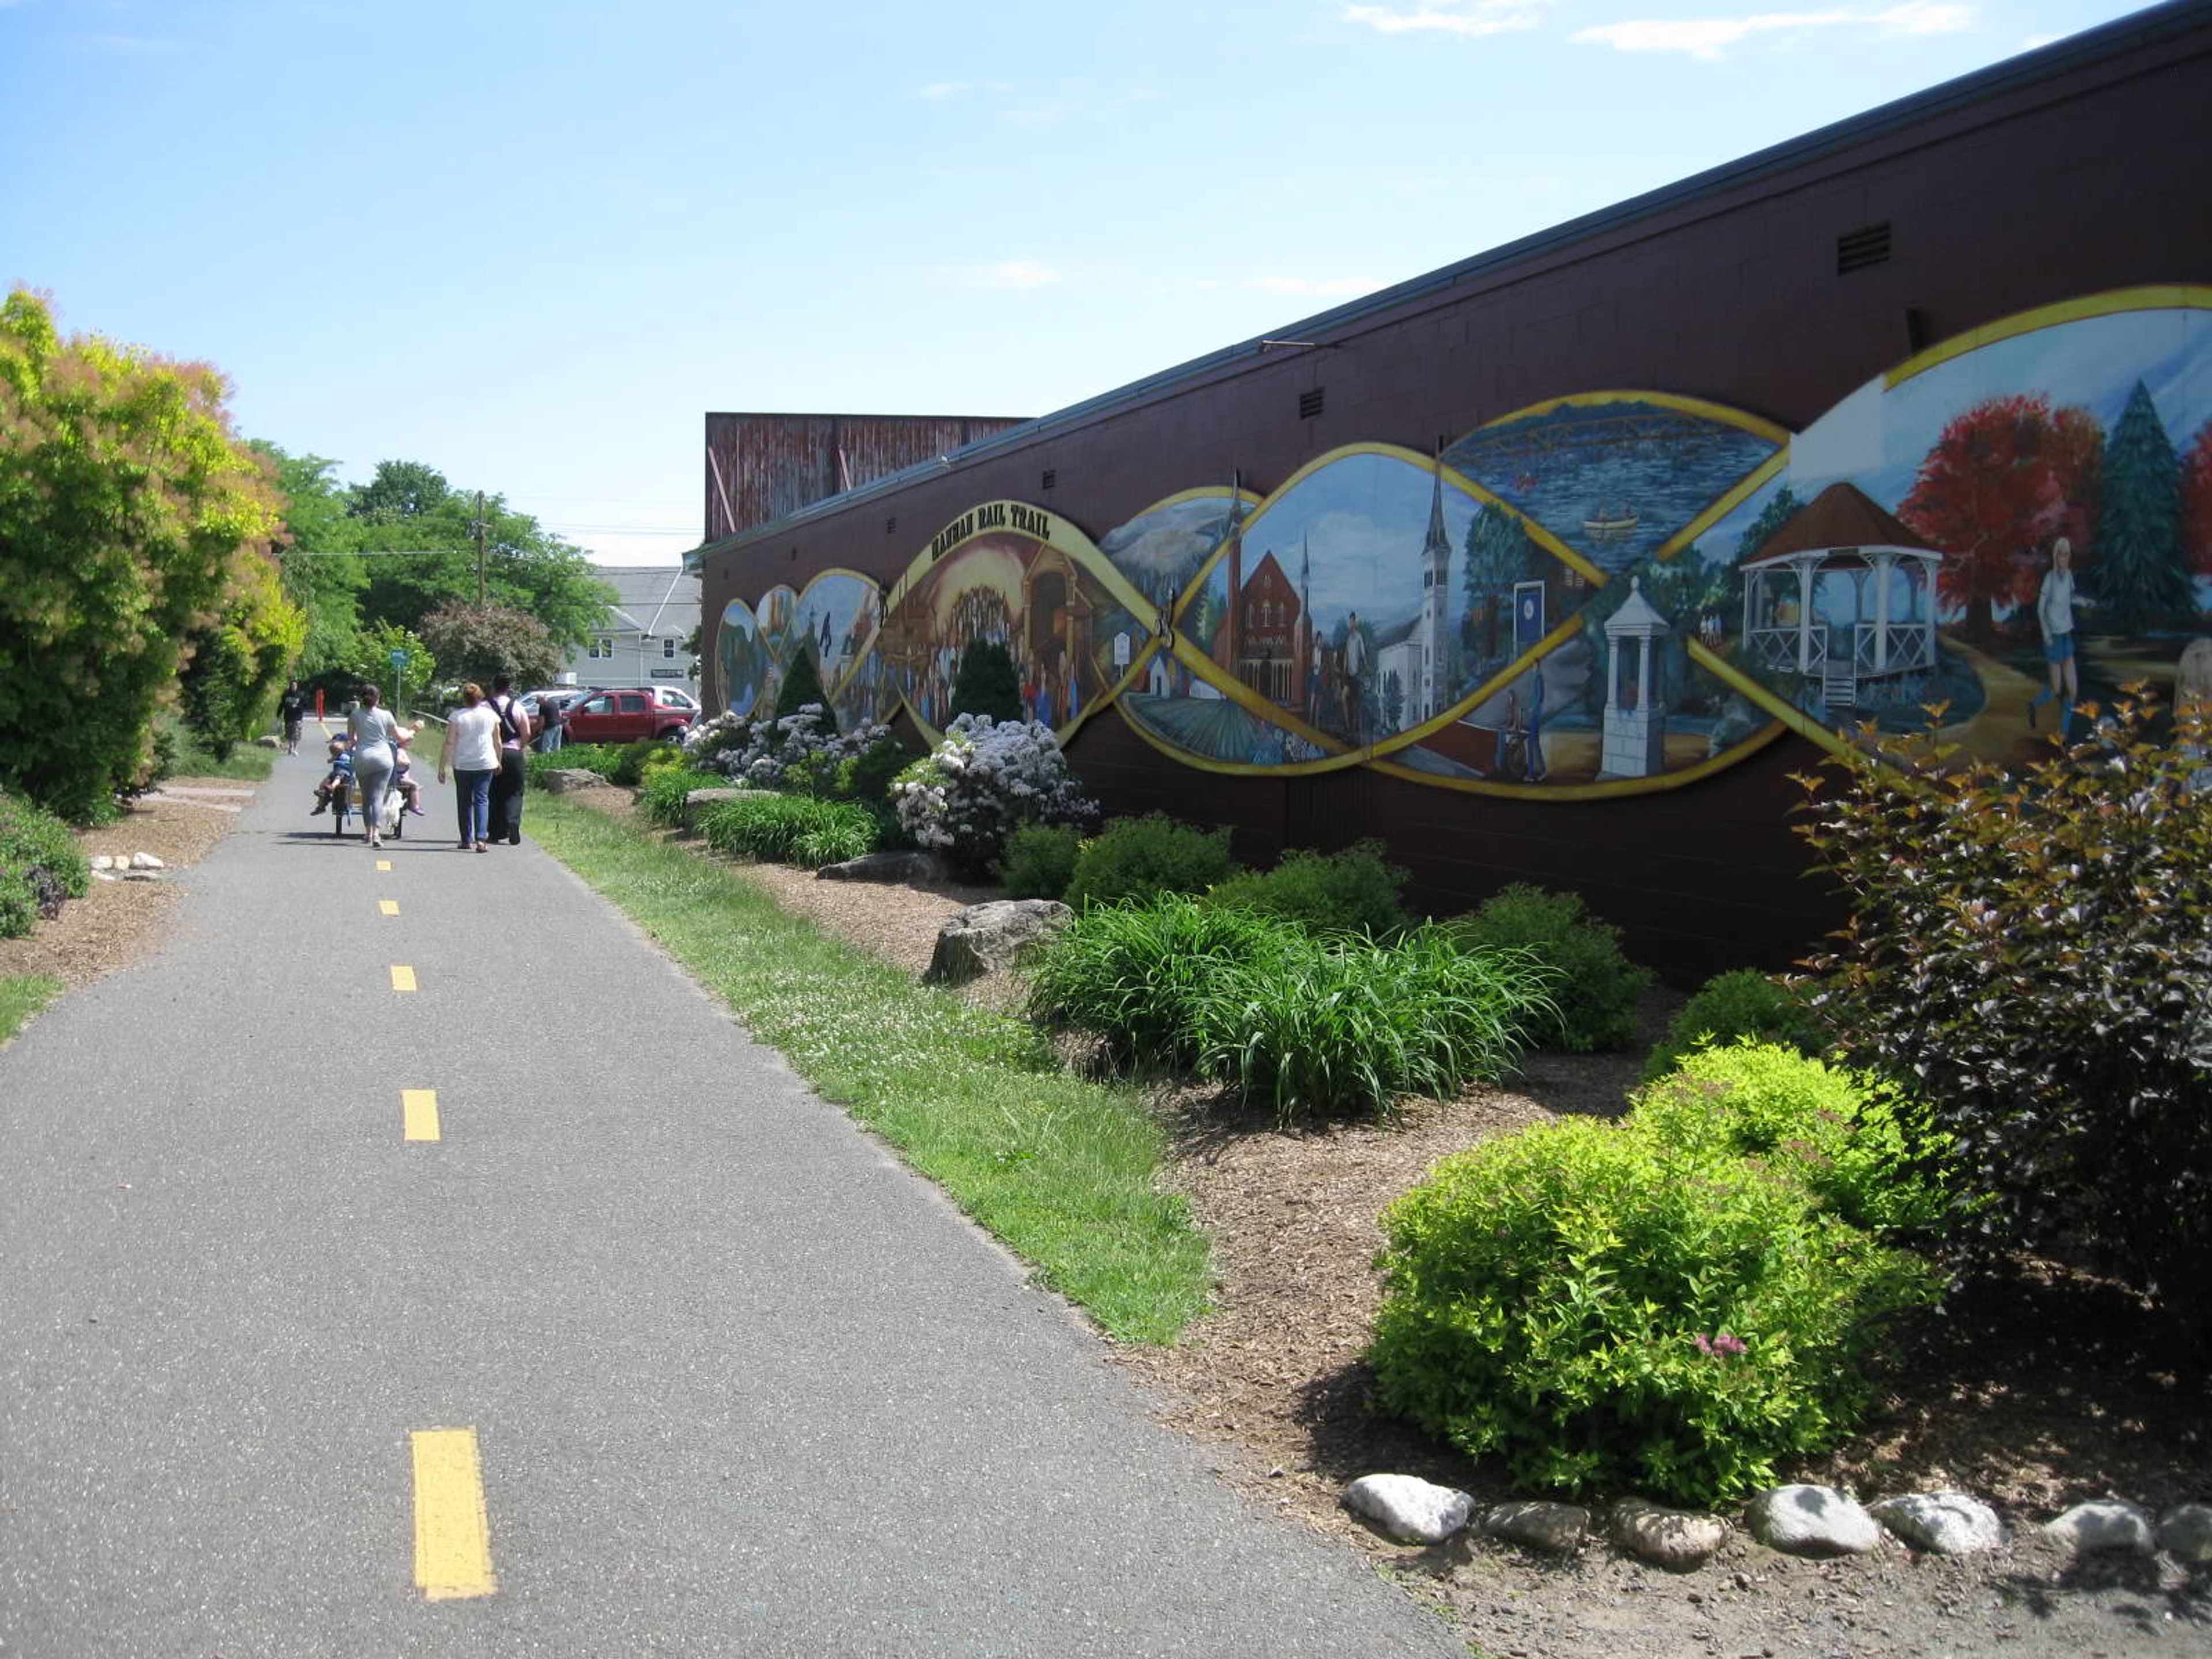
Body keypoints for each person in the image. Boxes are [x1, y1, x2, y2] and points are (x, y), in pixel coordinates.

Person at [2027, 536, 2084, 740]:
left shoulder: (2069, 576)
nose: (2064, 558)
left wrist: (2084, 601)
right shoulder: (2049, 579)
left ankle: (2064, 737)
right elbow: (2041, 609)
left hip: (2067, 635)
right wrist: (2046, 634)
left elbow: (2070, 598)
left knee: (2073, 692)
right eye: (2061, 554)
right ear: (2056, 556)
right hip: (2053, 638)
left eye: (2067, 554)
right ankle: (2033, 705)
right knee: (2056, 689)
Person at [438, 683, 501, 851]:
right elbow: (497, 741)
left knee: (464, 801)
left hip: (463, 763)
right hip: (485, 762)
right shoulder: (491, 716)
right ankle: (481, 839)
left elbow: (450, 742)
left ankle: (466, 839)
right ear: (480, 697)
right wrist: (499, 761)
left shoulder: (457, 717)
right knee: (482, 799)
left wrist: (442, 766)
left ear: (465, 699)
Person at [347, 684, 400, 849]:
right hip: (383, 759)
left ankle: (368, 833)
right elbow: (397, 736)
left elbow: (351, 739)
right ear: (378, 699)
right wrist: (413, 731)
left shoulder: (355, 715)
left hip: (363, 758)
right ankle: (377, 834)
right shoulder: (386, 715)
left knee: (366, 798)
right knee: (378, 797)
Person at [484, 673, 534, 846]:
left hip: (491, 753)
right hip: (513, 753)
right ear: (508, 688)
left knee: (493, 792)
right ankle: (513, 823)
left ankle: (495, 832)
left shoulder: (485, 706)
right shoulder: (518, 706)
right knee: (514, 791)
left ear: (493, 687)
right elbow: (526, 732)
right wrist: (521, 746)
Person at [309, 734, 353, 815]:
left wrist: (335, 757)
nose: (333, 752)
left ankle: (332, 787)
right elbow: (330, 760)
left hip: (345, 775)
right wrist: (334, 757)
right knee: (323, 784)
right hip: (335, 773)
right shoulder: (338, 755)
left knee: (338, 777)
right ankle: (321, 805)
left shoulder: (347, 755)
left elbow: (349, 761)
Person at [534, 690, 566, 754]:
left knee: (546, 745)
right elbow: (559, 714)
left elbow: (542, 722)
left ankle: (547, 761)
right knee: (556, 744)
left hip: (551, 726)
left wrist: (536, 730)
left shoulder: (543, 706)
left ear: (541, 699)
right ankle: (557, 759)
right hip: (559, 724)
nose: (538, 704)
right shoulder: (553, 703)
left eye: (538, 702)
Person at [278, 681, 306, 755]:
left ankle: (296, 748)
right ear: (290, 686)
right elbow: (282, 705)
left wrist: (297, 707)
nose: (294, 687)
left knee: (297, 733)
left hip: (297, 717)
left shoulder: (301, 695)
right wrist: (278, 713)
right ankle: (291, 746)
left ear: (297, 686)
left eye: (295, 686)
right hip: (288, 716)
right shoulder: (285, 695)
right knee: (289, 733)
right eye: (292, 685)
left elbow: (304, 706)